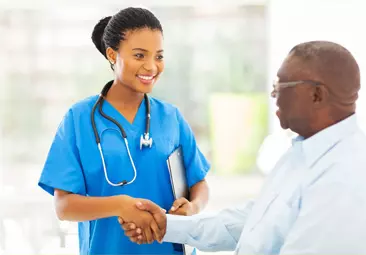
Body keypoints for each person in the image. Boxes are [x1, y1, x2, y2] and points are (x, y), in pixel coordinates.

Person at [121, 40, 366, 254]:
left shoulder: (345, 177)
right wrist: (168, 225)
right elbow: (251, 223)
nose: (273, 95)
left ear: (316, 95)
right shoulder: (300, 155)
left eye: (281, 86)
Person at [37, 7, 210, 255]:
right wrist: (120, 205)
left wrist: (192, 208)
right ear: (111, 54)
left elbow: (200, 184)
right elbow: (63, 206)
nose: (151, 66)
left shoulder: (171, 117)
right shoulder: (79, 119)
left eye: (159, 57)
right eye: (139, 55)